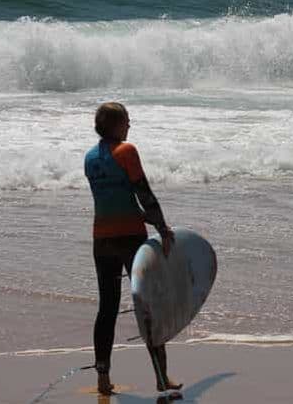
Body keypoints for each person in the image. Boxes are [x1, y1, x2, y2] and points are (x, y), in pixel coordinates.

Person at [84, 102, 181, 396]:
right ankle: (162, 378)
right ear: (115, 125)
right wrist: (163, 229)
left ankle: (103, 378)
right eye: (126, 121)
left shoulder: (90, 157)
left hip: (102, 240)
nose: (130, 125)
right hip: (129, 239)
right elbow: (144, 194)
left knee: (107, 308)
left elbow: (113, 198)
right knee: (149, 305)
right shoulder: (126, 151)